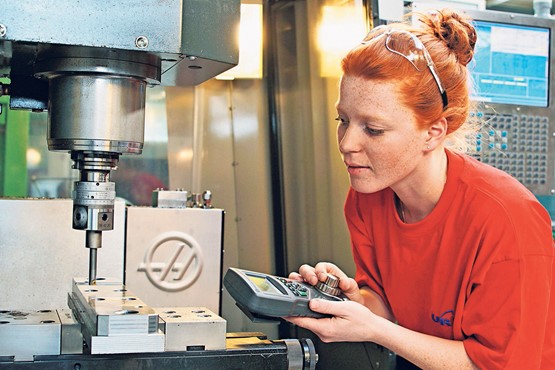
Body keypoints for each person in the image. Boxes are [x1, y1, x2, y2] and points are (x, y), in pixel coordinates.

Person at [286, 9, 554, 370]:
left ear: (433, 132)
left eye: (374, 130)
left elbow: (495, 365)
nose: (347, 144)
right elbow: (388, 305)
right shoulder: (367, 199)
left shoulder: (506, 220)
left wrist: (376, 330)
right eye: (343, 121)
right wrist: (354, 301)